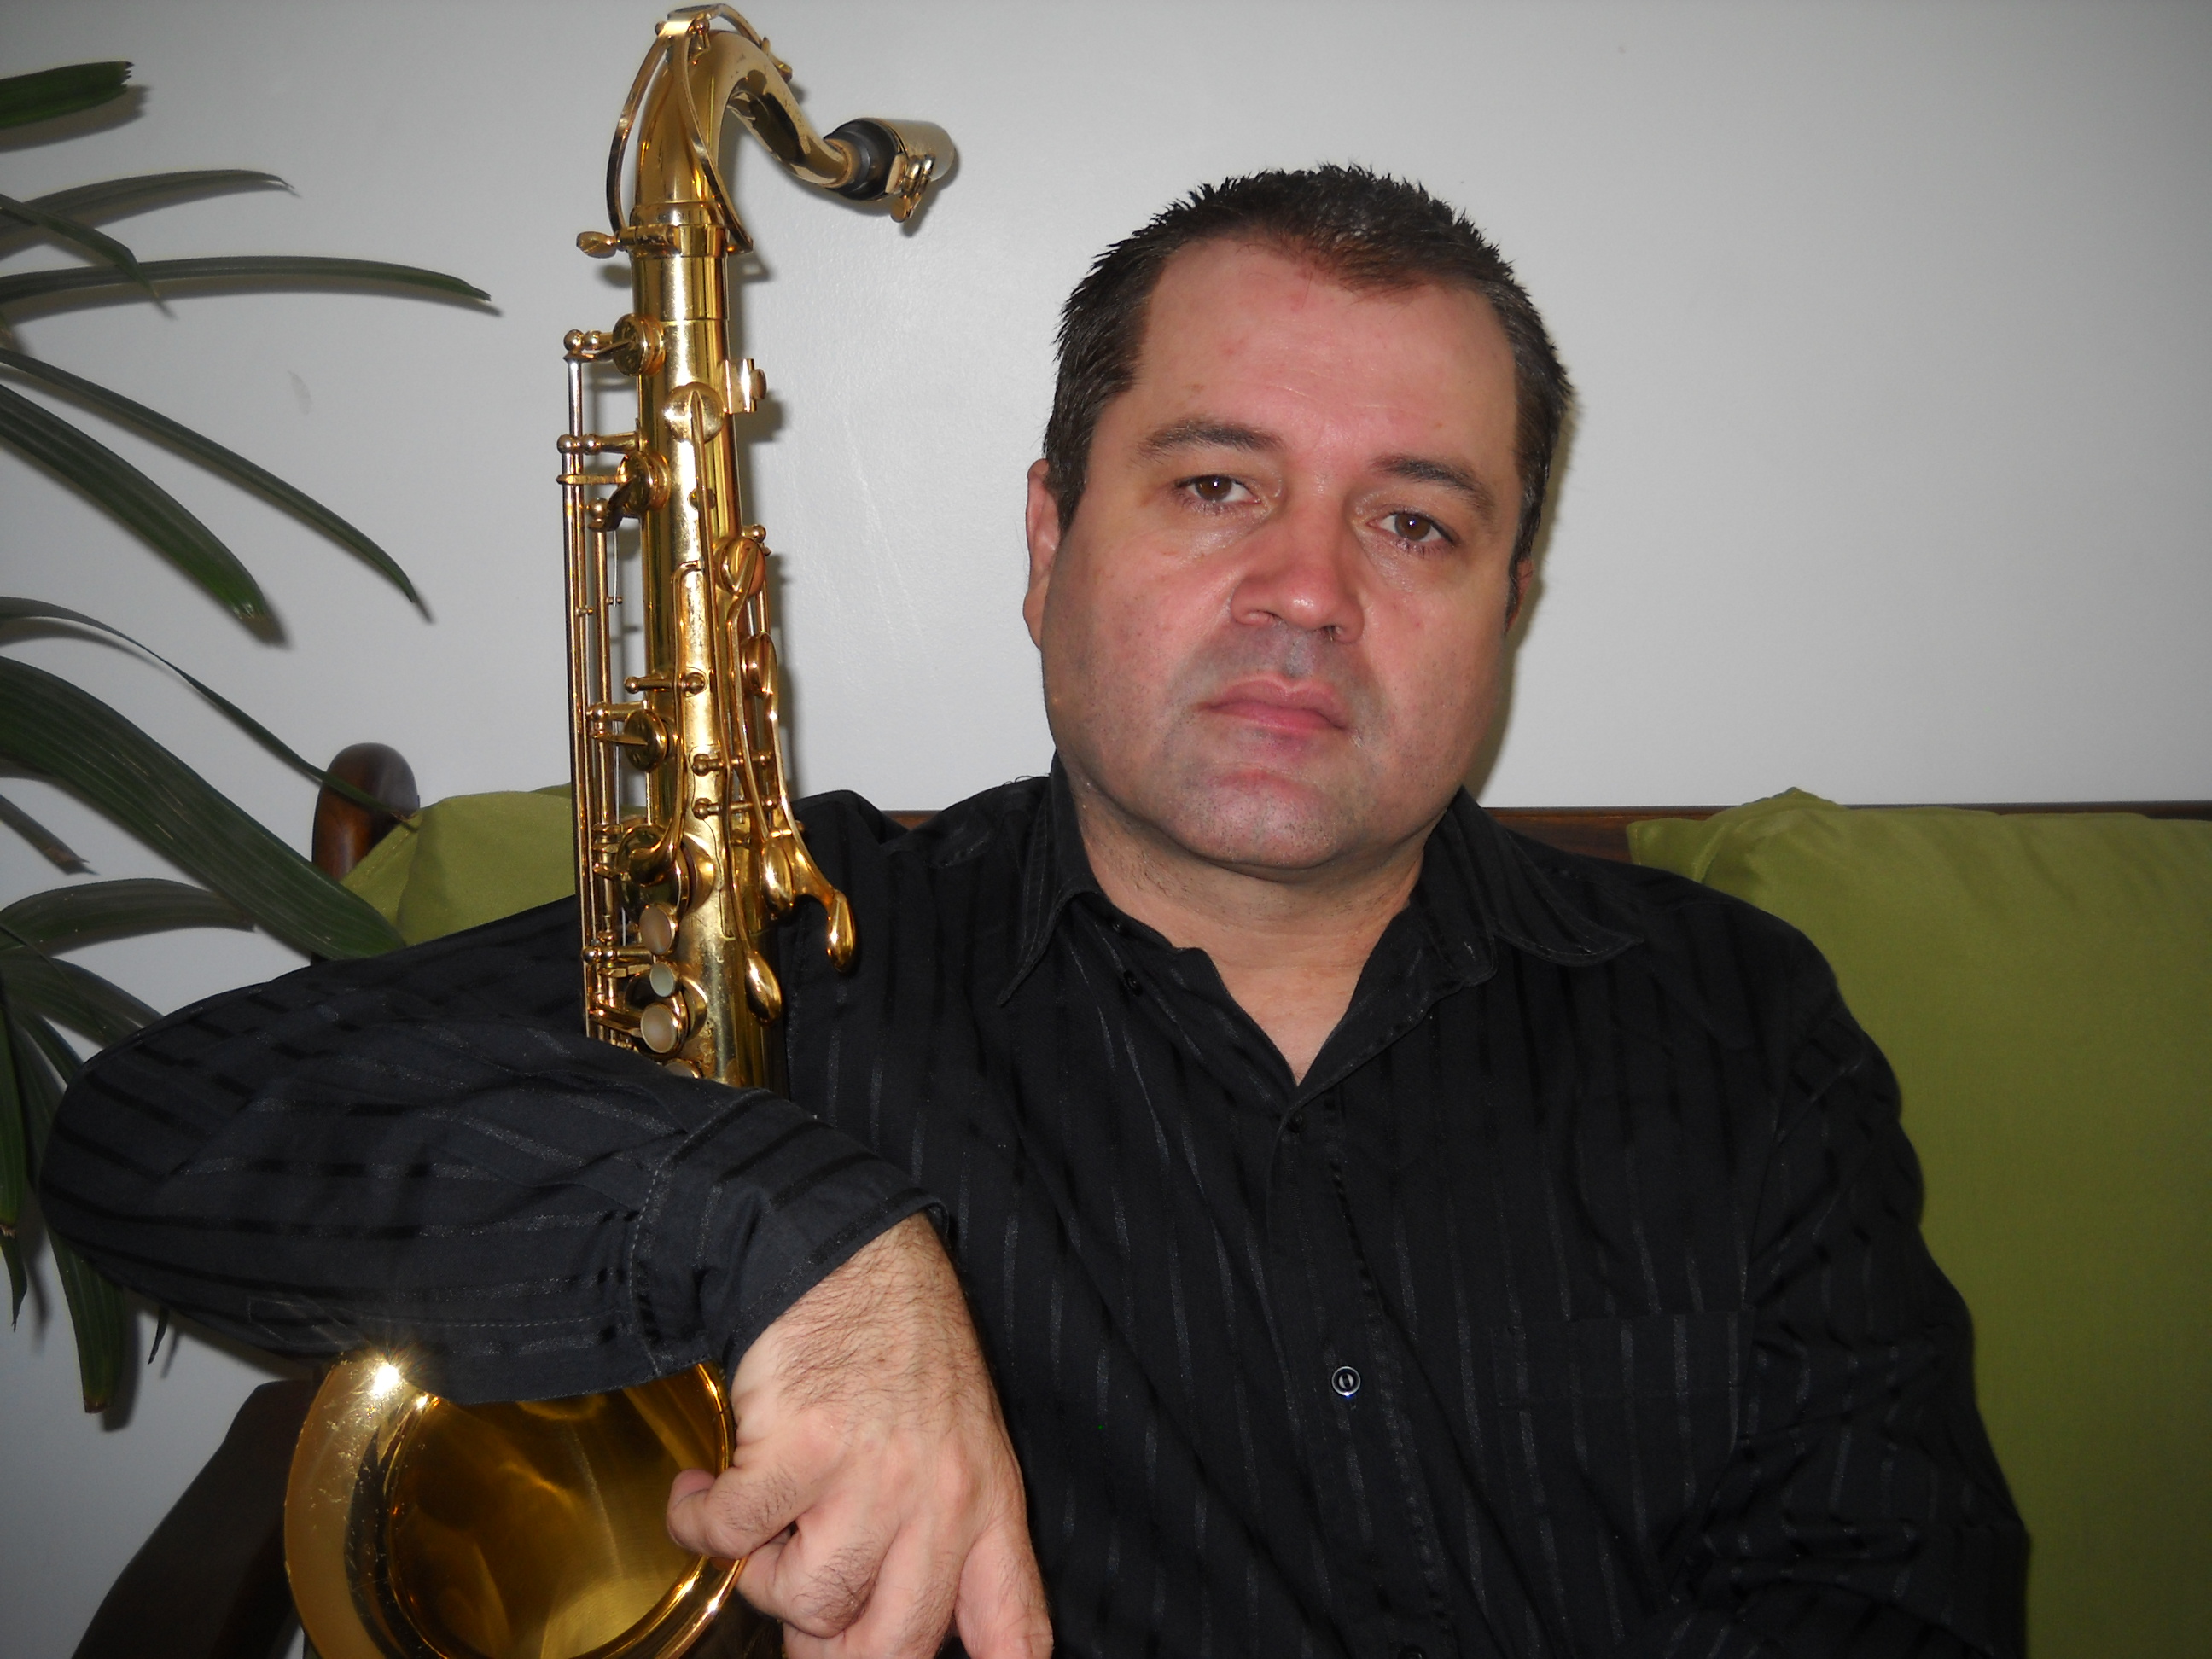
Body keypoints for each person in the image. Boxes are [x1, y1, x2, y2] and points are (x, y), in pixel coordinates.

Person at [43, 167, 2025, 1659]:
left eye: (1416, 521)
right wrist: (793, 1229)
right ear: (1048, 540)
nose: (1311, 593)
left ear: (1506, 607)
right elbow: (148, 1132)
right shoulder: (783, 944)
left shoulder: (1735, 1018)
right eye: (1218, 486)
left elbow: (1890, 1590)